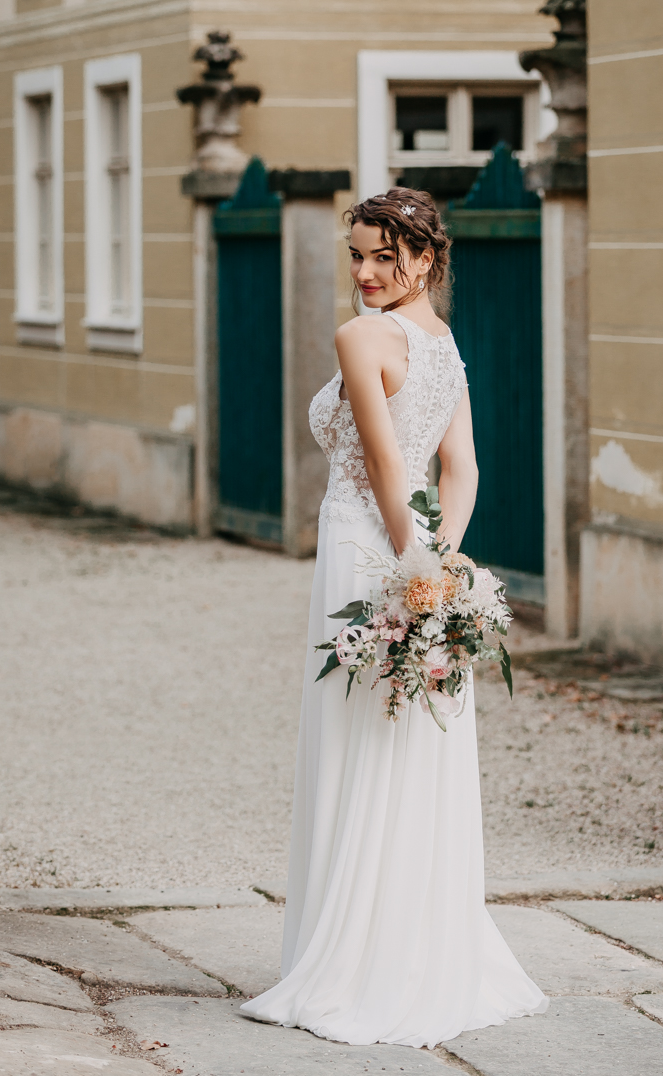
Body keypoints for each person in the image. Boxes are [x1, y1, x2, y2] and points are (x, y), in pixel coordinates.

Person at [240, 188, 547, 1047]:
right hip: (412, 551)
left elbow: (382, 460)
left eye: (387, 256)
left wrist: (414, 564)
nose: (368, 273)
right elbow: (462, 473)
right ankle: (405, 948)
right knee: (404, 739)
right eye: (359, 256)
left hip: (362, 547)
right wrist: (444, 559)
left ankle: (350, 961)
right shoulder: (442, 342)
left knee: (353, 736)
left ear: (426, 259)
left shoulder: (363, 337)